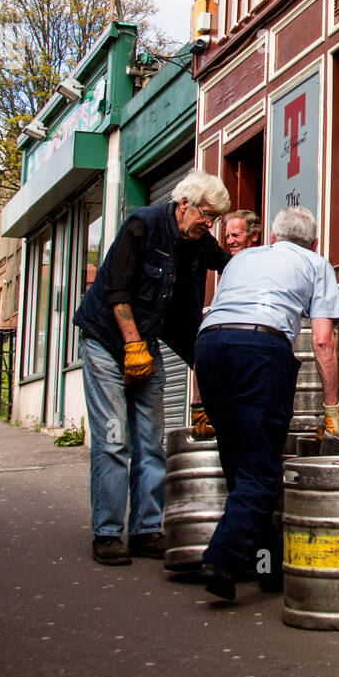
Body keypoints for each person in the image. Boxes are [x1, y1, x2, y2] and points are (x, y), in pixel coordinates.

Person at [73, 169, 230, 566]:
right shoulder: (142, 225)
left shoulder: (198, 242)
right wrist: (132, 346)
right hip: (108, 339)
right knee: (113, 439)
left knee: (150, 440)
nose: (210, 224)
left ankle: (146, 530)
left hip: (148, 339)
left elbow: (231, 266)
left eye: (214, 218)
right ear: (184, 205)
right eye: (206, 215)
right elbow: (116, 289)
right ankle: (108, 533)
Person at [194, 205, 339, 601]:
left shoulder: (241, 259)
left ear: (273, 237)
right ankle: (221, 558)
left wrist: (198, 401)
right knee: (261, 471)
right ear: (314, 242)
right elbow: (323, 340)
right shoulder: (316, 263)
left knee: (238, 463)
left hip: (209, 347)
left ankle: (266, 565)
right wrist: (331, 408)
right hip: (260, 350)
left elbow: (220, 316)